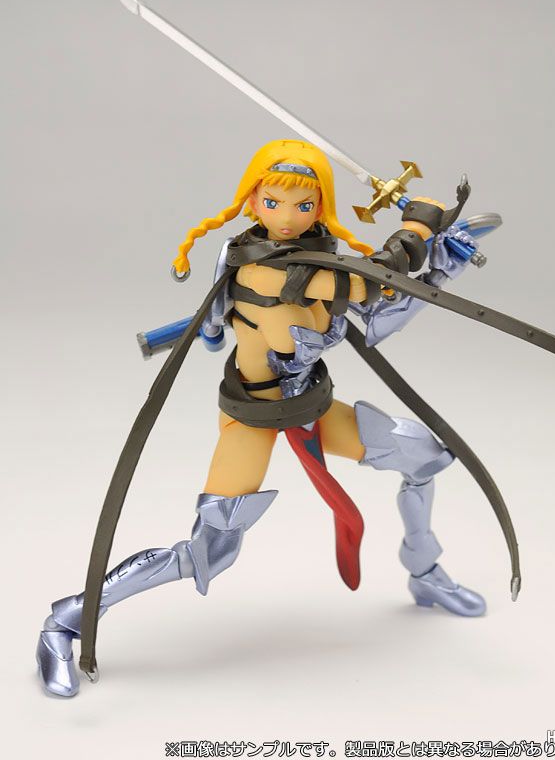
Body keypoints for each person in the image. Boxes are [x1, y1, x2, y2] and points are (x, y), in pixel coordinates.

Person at [36, 139, 486, 698]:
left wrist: (440, 270)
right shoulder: (267, 268)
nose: (287, 218)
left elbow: (375, 315)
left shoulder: (315, 255)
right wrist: (418, 228)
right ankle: (67, 620)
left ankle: (425, 571)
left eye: (303, 205)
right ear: (252, 202)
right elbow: (372, 282)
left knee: (422, 455)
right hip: (253, 418)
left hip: (309, 406)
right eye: (273, 203)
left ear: (320, 209)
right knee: (211, 550)